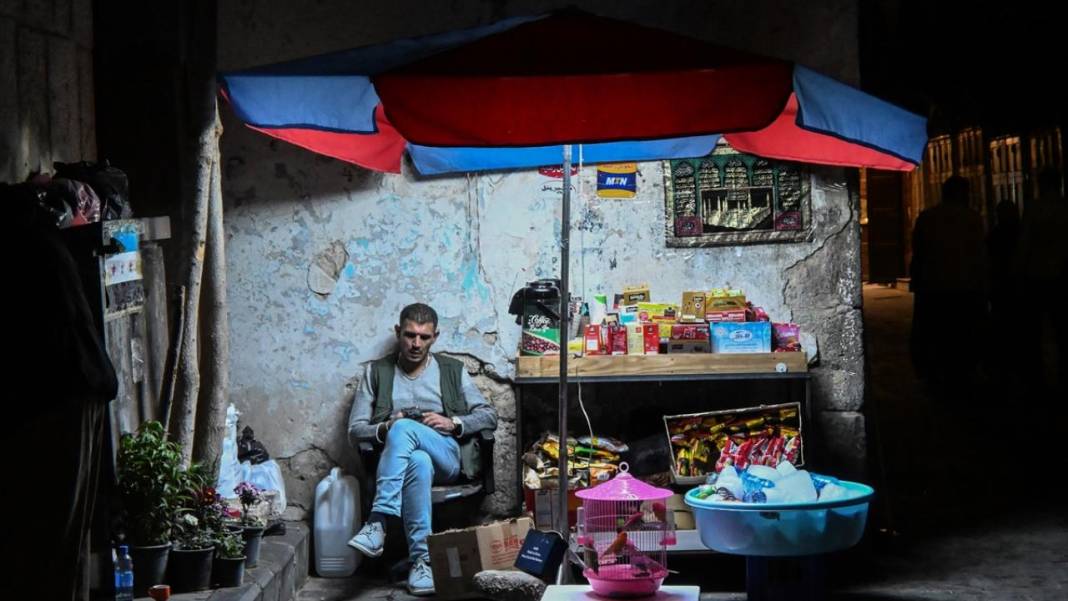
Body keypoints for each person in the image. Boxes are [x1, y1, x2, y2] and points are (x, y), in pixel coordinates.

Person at [1, 183, 118, 600]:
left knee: (46, 537)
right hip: (79, 392)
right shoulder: (45, 246)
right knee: (65, 538)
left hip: (59, 403)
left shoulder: (22, 255)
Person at [346, 303, 497, 595]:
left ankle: (378, 521)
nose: (416, 344)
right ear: (397, 332)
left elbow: (489, 415)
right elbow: (355, 430)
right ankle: (422, 562)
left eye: (424, 337)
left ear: (435, 337)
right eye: (409, 335)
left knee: (405, 431)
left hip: (448, 456)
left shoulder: (452, 370)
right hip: (404, 462)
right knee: (417, 458)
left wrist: (453, 422)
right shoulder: (377, 372)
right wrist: (385, 427)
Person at [909, 175, 988, 399]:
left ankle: (935, 375)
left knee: (936, 335)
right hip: (965, 287)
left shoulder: (928, 218)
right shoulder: (972, 219)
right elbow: (979, 256)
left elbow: (919, 252)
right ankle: (962, 375)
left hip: (934, 286)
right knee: (962, 336)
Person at [1016, 168, 1068, 398]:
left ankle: (1036, 378)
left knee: (1033, 331)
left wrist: (1017, 271)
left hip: (1036, 275)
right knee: (1061, 329)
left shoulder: (1034, 209)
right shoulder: (1064, 208)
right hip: (1061, 275)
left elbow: (1025, 244)